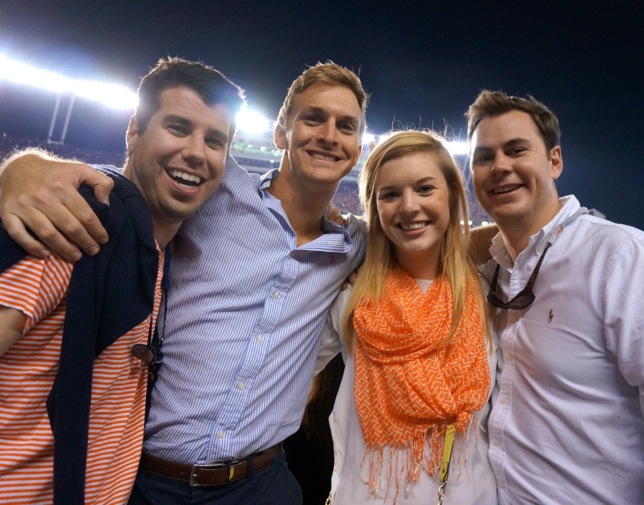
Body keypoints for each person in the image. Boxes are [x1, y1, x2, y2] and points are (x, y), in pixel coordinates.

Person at [0, 62, 368, 504]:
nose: (329, 134)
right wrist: (23, 169)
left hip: (260, 482)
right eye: (313, 118)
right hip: (145, 478)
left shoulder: (356, 244)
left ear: (359, 148)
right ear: (280, 133)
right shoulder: (212, 192)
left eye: (345, 126)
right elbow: (140, 177)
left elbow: (443, 237)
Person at [0, 57, 241, 505]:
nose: (196, 151)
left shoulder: (162, 250)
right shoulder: (75, 226)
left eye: (214, 140)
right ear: (134, 131)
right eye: (177, 127)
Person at [466, 90, 644, 504]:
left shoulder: (624, 258)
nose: (500, 166)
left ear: (554, 160)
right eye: (484, 157)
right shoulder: (490, 274)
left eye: (516, 150)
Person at [315, 130, 496, 504]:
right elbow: (284, 372)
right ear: (374, 207)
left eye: (425, 188)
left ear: (452, 194)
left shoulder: (490, 292)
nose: (409, 206)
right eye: (390, 194)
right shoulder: (352, 296)